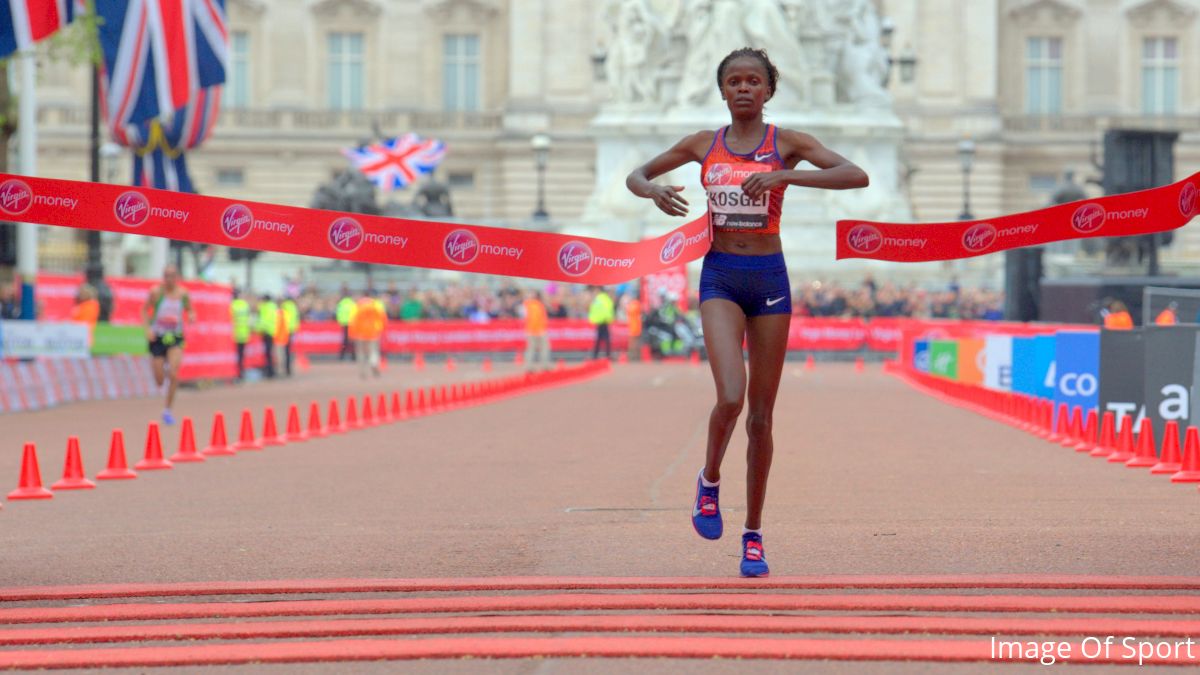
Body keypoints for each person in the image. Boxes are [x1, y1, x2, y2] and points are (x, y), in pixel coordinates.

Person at [625, 48, 868, 576]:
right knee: (731, 396)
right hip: (720, 278)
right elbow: (637, 173)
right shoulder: (702, 144)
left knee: (762, 418)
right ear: (722, 90)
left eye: (752, 81)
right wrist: (652, 191)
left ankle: (753, 535)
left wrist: (785, 178)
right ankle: (709, 482)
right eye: (733, 81)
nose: (743, 89)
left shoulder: (788, 143)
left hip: (770, 280)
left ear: (767, 90)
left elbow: (856, 175)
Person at [142, 265, 196, 425]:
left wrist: (192, 316)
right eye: (166, 276)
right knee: (159, 380)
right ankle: (163, 372)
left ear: (177, 277)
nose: (169, 279)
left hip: (175, 337)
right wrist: (147, 330)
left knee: (174, 374)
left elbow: (190, 310)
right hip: (158, 337)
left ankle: (167, 410)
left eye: (172, 276)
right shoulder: (156, 292)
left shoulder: (183, 294)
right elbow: (144, 311)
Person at [350, 292, 386, 378]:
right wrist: (380, 330)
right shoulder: (375, 306)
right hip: (372, 331)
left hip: (360, 333)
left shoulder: (357, 306)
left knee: (361, 352)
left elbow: (353, 321)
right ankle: (373, 363)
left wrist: (352, 334)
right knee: (373, 350)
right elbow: (382, 319)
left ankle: (362, 370)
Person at [522, 289, 551, 372]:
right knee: (533, 349)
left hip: (539, 329)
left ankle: (543, 365)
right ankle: (530, 366)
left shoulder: (536, 304)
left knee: (542, 348)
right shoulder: (528, 305)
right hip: (534, 330)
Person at [230, 288, 252, 382]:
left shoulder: (232, 305)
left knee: (236, 356)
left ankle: (236, 374)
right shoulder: (245, 305)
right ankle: (241, 374)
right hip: (244, 333)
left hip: (234, 334)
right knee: (241, 355)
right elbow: (249, 318)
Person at [588, 286, 615, 360]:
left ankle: (595, 355)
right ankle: (607, 355)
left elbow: (593, 310)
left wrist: (592, 319)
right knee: (606, 339)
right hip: (604, 321)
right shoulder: (606, 299)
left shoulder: (597, 299)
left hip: (600, 322)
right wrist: (609, 319)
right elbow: (609, 309)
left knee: (598, 340)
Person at [257, 294, 279, 378]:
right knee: (271, 352)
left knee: (268, 353)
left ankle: (269, 372)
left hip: (266, 332)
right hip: (273, 331)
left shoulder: (264, 307)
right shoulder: (274, 307)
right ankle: (272, 371)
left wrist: (259, 329)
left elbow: (263, 320)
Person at [281, 295, 301, 376]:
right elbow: (296, 319)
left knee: (284, 350)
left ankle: (286, 368)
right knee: (289, 350)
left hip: (284, 331)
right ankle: (288, 369)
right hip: (291, 330)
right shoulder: (294, 307)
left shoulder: (284, 306)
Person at [336, 286, 357, 361]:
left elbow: (338, 313)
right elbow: (355, 314)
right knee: (352, 341)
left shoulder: (341, 303)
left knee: (344, 341)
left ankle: (342, 356)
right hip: (351, 324)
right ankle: (353, 356)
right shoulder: (352, 303)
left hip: (344, 324)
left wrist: (340, 321)